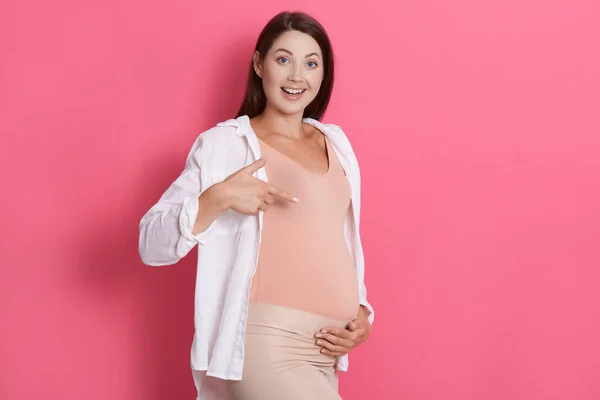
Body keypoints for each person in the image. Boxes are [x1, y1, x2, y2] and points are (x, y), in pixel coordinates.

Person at [138, 10, 375, 400]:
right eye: (283, 59)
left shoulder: (337, 144)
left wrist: (362, 313)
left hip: (325, 353)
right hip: (267, 343)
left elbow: (341, 240)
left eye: (311, 63)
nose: (297, 76)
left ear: (323, 73)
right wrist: (216, 199)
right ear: (259, 64)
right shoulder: (226, 145)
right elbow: (150, 243)